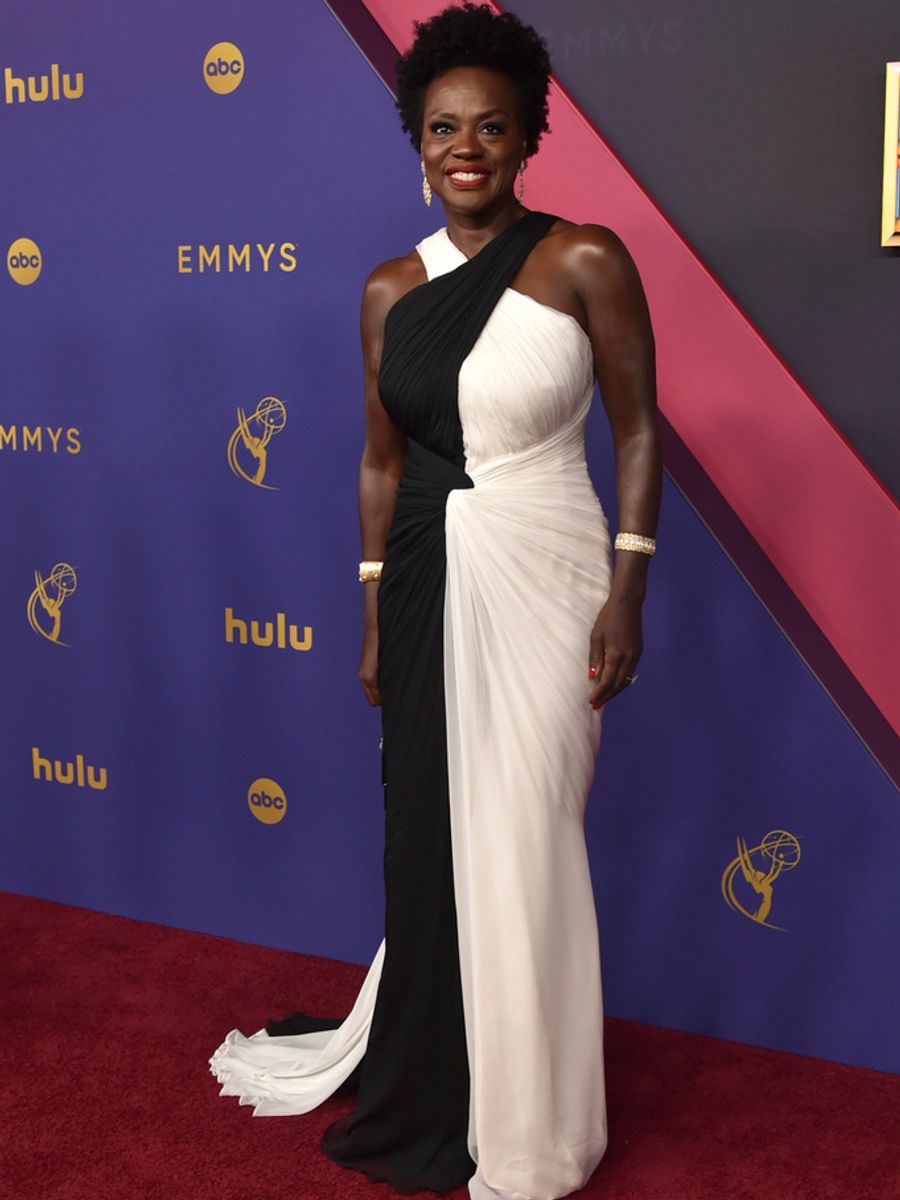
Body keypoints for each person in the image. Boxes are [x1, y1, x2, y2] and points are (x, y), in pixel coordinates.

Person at [209, 4, 662, 1198]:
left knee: (529, 836)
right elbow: (377, 459)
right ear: (419, 138)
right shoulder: (389, 288)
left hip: (551, 571)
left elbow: (638, 431)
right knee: (436, 844)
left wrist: (628, 589)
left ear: (528, 139)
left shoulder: (585, 259)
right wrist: (370, 607)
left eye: (492, 128)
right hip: (422, 580)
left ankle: (536, 1122)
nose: (467, 148)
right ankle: (444, 1076)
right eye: (444, 127)